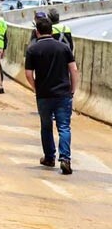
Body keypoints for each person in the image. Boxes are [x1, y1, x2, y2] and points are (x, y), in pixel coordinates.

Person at [25, 17, 78, 175]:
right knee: (64, 127)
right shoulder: (63, 48)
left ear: (37, 31)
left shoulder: (33, 49)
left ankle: (49, 157)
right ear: (52, 31)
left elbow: (28, 74)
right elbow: (73, 70)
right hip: (63, 93)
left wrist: (36, 88)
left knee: (46, 126)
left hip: (44, 95)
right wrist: (72, 90)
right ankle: (65, 159)